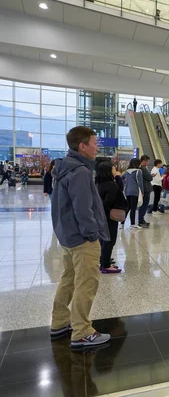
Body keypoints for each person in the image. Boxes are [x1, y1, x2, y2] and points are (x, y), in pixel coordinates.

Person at [49, 126, 111, 349]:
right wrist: (92, 235)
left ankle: (59, 322)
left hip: (67, 236)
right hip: (82, 239)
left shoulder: (64, 168)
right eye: (94, 143)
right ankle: (82, 331)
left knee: (68, 278)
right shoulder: (81, 171)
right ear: (82, 146)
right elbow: (83, 209)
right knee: (87, 283)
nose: (97, 147)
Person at [95, 162, 126, 274]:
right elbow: (112, 198)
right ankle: (105, 265)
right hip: (109, 216)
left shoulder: (99, 183)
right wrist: (118, 176)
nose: (115, 169)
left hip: (102, 216)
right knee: (109, 240)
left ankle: (104, 258)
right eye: (113, 168)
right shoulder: (111, 185)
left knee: (103, 239)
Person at [123, 158, 144, 229]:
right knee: (133, 208)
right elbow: (140, 183)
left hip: (127, 191)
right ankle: (132, 224)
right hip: (135, 191)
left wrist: (125, 183)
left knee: (127, 207)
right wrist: (142, 192)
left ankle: (122, 223)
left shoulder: (127, 171)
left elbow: (120, 178)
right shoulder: (139, 171)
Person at [138, 155, 152, 228]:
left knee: (143, 205)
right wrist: (150, 175)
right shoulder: (143, 168)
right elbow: (150, 177)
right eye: (147, 161)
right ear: (144, 161)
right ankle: (141, 220)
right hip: (146, 188)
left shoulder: (140, 168)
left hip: (144, 188)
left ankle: (141, 219)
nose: (148, 163)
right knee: (144, 205)